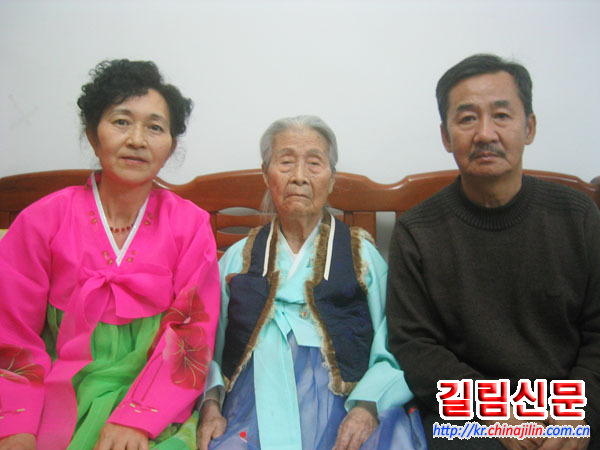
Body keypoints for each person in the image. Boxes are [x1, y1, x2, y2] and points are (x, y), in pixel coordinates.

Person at [0, 59, 220, 449]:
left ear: (170, 146)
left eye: (155, 127)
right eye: (121, 122)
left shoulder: (190, 225)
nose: (137, 139)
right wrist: (16, 427)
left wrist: (138, 419)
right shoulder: (40, 220)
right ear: (92, 134)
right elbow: (11, 334)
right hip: (53, 392)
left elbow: (191, 337)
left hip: (151, 399)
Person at [386, 53, 600, 449]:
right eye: (467, 118)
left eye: (501, 115)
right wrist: (494, 409)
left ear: (528, 127)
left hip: (570, 404)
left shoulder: (578, 216)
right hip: (471, 415)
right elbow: (413, 345)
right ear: (446, 136)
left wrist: (578, 410)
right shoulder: (417, 231)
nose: (485, 133)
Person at [196, 115, 425, 449]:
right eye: (286, 162)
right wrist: (210, 404)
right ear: (266, 174)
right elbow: (206, 346)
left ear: (331, 179)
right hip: (250, 407)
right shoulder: (237, 259)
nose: (299, 176)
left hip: (345, 406)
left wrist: (367, 406)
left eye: (314, 163)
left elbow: (393, 341)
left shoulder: (361, 256)